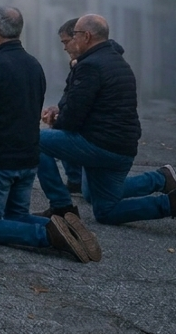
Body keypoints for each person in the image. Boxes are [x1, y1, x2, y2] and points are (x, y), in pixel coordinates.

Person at [0, 7, 100, 262]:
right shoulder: (34, 65)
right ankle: (67, 228)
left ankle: (51, 236)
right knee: (16, 217)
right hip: (27, 160)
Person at [35, 14, 176, 225]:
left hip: (100, 146)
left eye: (74, 35)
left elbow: (72, 119)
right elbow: (90, 105)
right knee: (104, 210)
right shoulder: (115, 60)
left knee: (34, 140)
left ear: (87, 36)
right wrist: (60, 110)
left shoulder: (90, 65)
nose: (71, 40)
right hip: (121, 148)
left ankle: (61, 207)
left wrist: (56, 120)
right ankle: (168, 200)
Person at [56, 18, 84, 196]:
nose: (65, 48)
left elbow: (77, 108)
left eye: (66, 42)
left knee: (43, 140)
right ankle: (76, 180)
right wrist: (58, 110)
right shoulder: (81, 64)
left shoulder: (89, 66)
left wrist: (59, 118)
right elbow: (70, 97)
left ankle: (59, 199)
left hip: (101, 137)